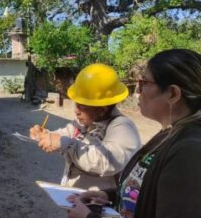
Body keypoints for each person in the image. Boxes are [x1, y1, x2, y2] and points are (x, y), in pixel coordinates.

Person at [67, 49, 201, 218]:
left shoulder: (192, 153)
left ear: (172, 94)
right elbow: (154, 194)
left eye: (144, 83)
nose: (138, 92)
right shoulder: (171, 134)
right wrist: (111, 196)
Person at [29, 63, 141, 191]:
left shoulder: (122, 128)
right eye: (76, 104)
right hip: (77, 201)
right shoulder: (83, 122)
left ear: (102, 109)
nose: (76, 111)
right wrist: (44, 135)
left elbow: (107, 162)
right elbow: (63, 135)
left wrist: (67, 144)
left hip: (100, 205)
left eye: (82, 106)